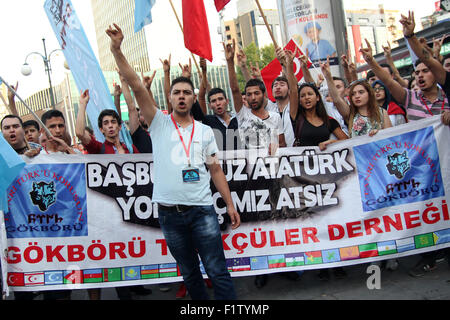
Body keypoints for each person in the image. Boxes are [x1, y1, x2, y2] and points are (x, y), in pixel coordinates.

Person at [107, 23, 240, 300]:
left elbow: (215, 168)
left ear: (194, 98)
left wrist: (229, 204)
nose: (181, 96)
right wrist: (117, 50)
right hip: (169, 213)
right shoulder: (159, 123)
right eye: (176, 92)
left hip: (202, 210)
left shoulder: (205, 131)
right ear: (169, 98)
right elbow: (134, 83)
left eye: (186, 93)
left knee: (217, 270)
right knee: (190, 273)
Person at [226, 39, 286, 153]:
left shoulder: (275, 117)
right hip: (251, 170)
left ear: (264, 95)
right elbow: (234, 89)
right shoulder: (242, 115)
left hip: (274, 168)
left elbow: (282, 144)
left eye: (256, 93)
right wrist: (230, 61)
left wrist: (276, 148)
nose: (253, 97)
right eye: (249, 94)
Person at [322, 57, 392, 138]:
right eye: (353, 94)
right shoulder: (349, 113)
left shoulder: (381, 112)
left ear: (369, 94)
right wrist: (328, 77)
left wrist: (378, 133)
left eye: (361, 92)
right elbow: (336, 99)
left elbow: (390, 135)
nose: (357, 96)